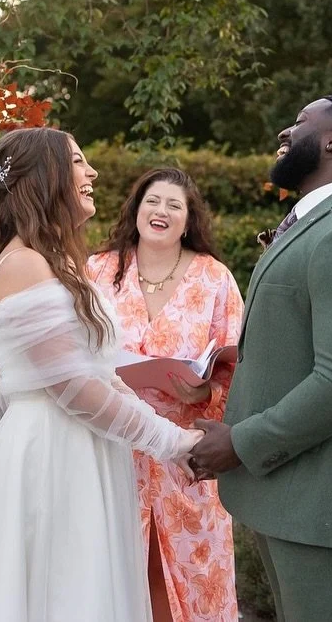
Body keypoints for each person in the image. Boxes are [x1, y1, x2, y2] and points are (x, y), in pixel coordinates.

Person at [0, 128, 203, 622]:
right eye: (77, 161)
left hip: (82, 449)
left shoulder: (56, 262)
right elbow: (76, 390)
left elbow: (99, 373)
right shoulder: (23, 265)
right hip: (49, 455)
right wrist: (173, 443)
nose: (91, 173)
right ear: (46, 176)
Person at [189, 96, 332, 622]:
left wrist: (240, 443)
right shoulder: (316, 223)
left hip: (324, 502)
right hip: (293, 496)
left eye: (303, 120)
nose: (287, 128)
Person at [88, 168, 243, 622]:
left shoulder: (215, 279)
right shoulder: (97, 270)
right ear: (136, 209)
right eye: (152, 201)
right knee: (114, 575)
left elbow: (238, 365)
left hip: (186, 453)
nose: (161, 211)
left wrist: (205, 390)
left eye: (174, 205)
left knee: (189, 579)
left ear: (188, 219)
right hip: (111, 448)